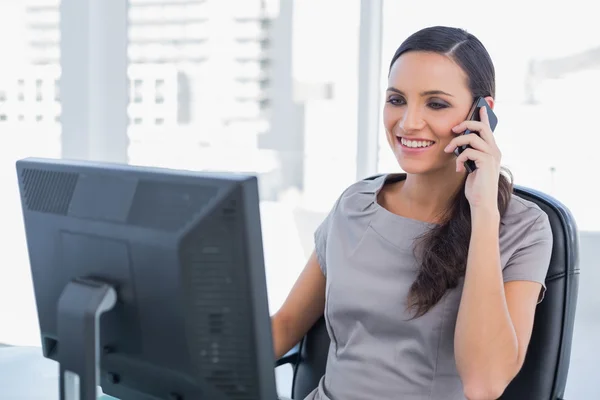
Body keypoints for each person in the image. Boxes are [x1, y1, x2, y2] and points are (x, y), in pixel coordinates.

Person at [271, 26, 553, 400]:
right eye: (397, 99)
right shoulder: (354, 205)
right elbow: (285, 325)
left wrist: (485, 214)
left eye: (435, 104)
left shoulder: (523, 228)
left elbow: (484, 383)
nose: (408, 123)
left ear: (482, 113)